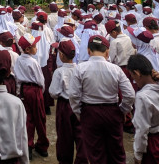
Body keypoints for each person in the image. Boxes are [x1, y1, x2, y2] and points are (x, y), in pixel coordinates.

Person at [69, 35, 135, 164]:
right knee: (117, 152)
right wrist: (123, 110)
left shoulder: (80, 69)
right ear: (107, 51)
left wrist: (79, 112)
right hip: (112, 111)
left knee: (96, 153)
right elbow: (130, 94)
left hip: (90, 112)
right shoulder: (116, 69)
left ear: (88, 50)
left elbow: (74, 95)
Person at [49, 40, 88, 164]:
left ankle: (65, 160)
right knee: (81, 135)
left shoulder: (59, 72)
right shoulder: (81, 69)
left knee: (65, 137)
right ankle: (82, 160)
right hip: (80, 104)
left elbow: (54, 92)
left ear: (61, 55)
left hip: (65, 105)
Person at [14, 33, 48, 159]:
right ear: (28, 49)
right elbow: (40, 80)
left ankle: (28, 146)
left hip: (23, 90)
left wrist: (19, 92)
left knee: (28, 119)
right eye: (34, 46)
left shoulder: (18, 59)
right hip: (35, 90)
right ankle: (42, 145)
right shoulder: (33, 62)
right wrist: (41, 92)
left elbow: (17, 78)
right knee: (40, 117)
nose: (36, 48)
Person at [127, 54, 159, 164]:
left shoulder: (142, 96)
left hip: (153, 142)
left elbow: (142, 130)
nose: (134, 81)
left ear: (137, 73)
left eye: (133, 76)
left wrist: (138, 154)